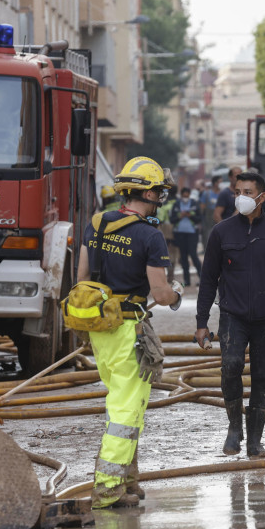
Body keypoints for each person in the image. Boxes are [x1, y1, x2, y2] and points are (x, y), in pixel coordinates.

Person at [76, 156, 183, 509]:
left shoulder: (96, 224)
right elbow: (162, 295)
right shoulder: (151, 236)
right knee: (125, 412)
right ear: (150, 193)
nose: (161, 197)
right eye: (159, 191)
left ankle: (128, 484)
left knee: (121, 402)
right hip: (127, 331)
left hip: (99, 328)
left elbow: (82, 280)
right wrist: (177, 293)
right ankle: (107, 489)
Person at [195, 171, 265, 459]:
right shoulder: (222, 232)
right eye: (238, 191)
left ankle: (255, 440)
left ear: (262, 197)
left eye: (247, 192)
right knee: (230, 366)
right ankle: (234, 428)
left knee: (262, 377)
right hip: (233, 315)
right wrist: (201, 322)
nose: (241, 197)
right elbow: (208, 280)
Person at [171, 187, 202, 287]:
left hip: (192, 233)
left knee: (193, 255)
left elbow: (199, 218)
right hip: (180, 234)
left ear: (189, 194)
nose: (185, 197)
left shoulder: (194, 204)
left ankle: (202, 278)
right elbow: (172, 219)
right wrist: (180, 216)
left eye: (187, 194)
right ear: (181, 194)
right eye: (184, 194)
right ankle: (187, 281)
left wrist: (189, 215)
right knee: (183, 258)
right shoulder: (176, 204)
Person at [200, 175, 222, 249]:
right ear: (215, 183)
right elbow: (202, 207)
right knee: (208, 236)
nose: (221, 183)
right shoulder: (207, 193)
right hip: (209, 219)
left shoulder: (222, 193)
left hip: (221, 217)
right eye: (220, 181)